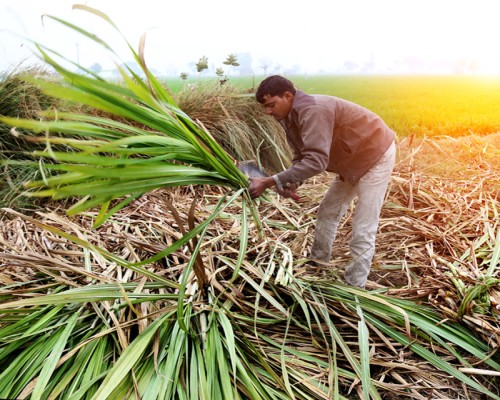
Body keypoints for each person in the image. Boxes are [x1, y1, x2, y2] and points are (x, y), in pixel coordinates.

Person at [249, 75, 396, 289]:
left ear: (288, 96)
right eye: (265, 107)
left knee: (363, 227)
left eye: (271, 105)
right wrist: (291, 183)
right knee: (327, 212)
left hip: (374, 154)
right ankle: (318, 266)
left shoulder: (312, 110)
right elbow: (303, 155)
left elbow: (317, 161)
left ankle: (355, 286)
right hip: (350, 159)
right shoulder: (289, 116)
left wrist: (271, 181)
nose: (268, 112)